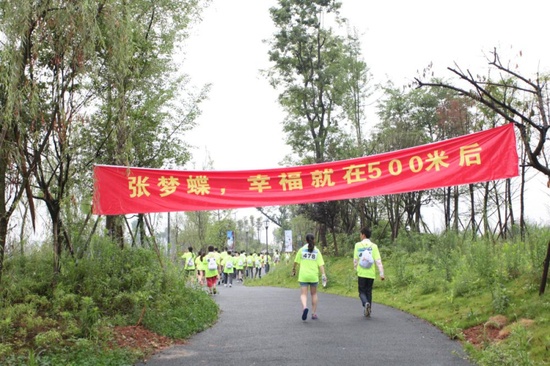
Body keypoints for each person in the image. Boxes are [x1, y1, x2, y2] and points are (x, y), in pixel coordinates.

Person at [292, 233, 326, 321]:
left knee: (303, 294)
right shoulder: (317, 251)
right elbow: (321, 265)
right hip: (313, 276)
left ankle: (305, 307)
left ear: (306, 240)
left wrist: (294, 269)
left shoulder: (301, 250)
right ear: (313, 240)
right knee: (314, 294)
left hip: (304, 275)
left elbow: (295, 262)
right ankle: (314, 313)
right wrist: (323, 274)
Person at [353, 227, 385, 318]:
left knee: (361, 291)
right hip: (371, 273)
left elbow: (355, 260)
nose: (360, 236)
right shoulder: (374, 246)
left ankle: (365, 303)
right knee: (369, 291)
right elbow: (378, 261)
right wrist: (381, 274)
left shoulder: (357, 245)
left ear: (363, 235)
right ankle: (368, 310)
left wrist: (355, 269)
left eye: (360, 234)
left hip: (361, 272)